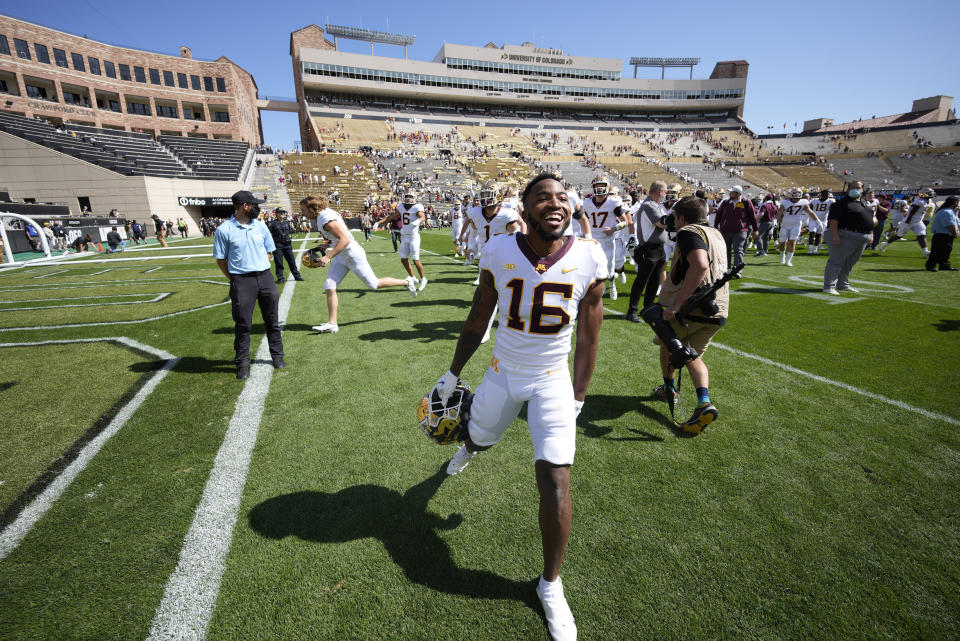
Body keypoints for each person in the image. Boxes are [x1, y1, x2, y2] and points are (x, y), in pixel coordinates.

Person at [433, 173, 606, 641]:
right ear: (524, 208)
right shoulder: (500, 251)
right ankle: (469, 447)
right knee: (479, 437)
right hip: (501, 371)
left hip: (552, 380)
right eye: (544, 197)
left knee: (555, 476)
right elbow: (478, 315)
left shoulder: (590, 255)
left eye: (563, 198)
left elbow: (590, 335)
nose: (556, 204)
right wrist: (452, 373)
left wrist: (579, 395)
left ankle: (550, 584)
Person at [651, 196, 729, 434]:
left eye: (675, 218)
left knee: (669, 345)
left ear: (682, 218)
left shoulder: (688, 232)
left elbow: (700, 265)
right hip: (717, 309)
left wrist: (677, 305)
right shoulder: (715, 233)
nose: (674, 222)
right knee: (691, 355)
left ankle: (669, 389)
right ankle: (703, 401)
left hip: (693, 308)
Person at [302, 194, 418, 335]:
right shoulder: (325, 214)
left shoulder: (324, 218)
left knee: (374, 284)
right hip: (343, 255)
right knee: (329, 286)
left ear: (312, 208)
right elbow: (341, 236)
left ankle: (407, 282)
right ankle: (332, 324)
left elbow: (345, 239)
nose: (303, 213)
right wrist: (324, 246)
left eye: (304, 210)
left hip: (351, 254)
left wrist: (328, 257)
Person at [213, 191, 285, 379]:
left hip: (265, 277)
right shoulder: (224, 230)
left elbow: (269, 251)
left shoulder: (261, 226)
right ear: (245, 206)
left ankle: (277, 356)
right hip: (241, 281)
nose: (258, 208)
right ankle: (242, 364)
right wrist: (235, 279)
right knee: (243, 324)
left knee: (273, 321)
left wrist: (260, 265)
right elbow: (221, 259)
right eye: (255, 205)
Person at [625, 180, 668, 323]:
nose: (665, 195)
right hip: (648, 248)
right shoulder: (649, 205)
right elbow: (661, 223)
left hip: (659, 249)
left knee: (654, 281)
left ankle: (648, 309)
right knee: (641, 281)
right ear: (660, 192)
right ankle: (632, 311)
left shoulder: (656, 205)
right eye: (665, 191)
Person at [823, 181, 877, 295]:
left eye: (857, 187)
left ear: (863, 189)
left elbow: (871, 219)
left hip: (862, 236)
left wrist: (871, 234)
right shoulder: (841, 203)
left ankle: (842, 284)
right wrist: (835, 236)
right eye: (852, 187)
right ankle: (829, 286)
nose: (855, 189)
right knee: (836, 261)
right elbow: (833, 221)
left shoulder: (864, 203)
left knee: (849, 262)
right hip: (846, 234)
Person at [582, 175, 627, 300]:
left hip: (607, 240)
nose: (600, 188)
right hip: (593, 240)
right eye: (597, 186)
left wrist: (614, 229)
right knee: (592, 267)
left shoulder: (613, 202)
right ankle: (599, 287)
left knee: (609, 267)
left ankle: (612, 285)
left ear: (607, 187)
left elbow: (625, 222)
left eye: (602, 185)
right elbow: (583, 220)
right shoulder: (587, 202)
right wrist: (586, 235)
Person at [379, 191, 428, 291]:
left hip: (414, 236)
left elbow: (422, 217)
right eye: (407, 197)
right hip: (404, 236)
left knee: (415, 260)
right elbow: (391, 217)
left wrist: (418, 221)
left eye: (410, 197)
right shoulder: (401, 206)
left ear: (414, 198)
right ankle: (412, 277)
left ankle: (423, 279)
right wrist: (378, 223)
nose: (408, 198)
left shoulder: (417, 207)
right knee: (403, 259)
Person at [713, 185, 757, 274]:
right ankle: (726, 269)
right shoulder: (725, 202)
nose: (730, 193)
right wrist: (715, 226)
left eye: (732, 192)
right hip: (725, 230)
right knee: (726, 250)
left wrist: (755, 229)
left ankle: (738, 270)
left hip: (740, 231)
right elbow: (719, 214)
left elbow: (752, 216)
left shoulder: (746, 202)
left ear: (738, 194)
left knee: (739, 251)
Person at [878, 188, 933, 257]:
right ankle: (885, 244)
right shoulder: (919, 202)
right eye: (929, 192)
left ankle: (925, 251)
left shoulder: (928, 200)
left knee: (921, 235)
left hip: (918, 221)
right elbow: (911, 212)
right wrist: (907, 221)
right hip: (909, 221)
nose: (931, 194)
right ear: (924, 194)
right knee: (898, 236)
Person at [776, 188, 818, 266]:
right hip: (785, 225)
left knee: (792, 242)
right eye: (795, 197)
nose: (796, 199)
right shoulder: (785, 202)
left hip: (796, 225)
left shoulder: (804, 202)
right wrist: (775, 220)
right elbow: (780, 212)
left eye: (798, 197)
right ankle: (782, 256)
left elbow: (810, 212)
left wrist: (817, 220)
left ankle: (788, 260)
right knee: (782, 242)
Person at [266, 210, 304, 283]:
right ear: (277, 214)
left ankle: (297, 276)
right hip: (278, 246)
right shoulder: (273, 223)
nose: (283, 214)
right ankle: (280, 278)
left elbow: (289, 231)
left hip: (287, 245)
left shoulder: (287, 222)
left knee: (292, 262)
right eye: (281, 213)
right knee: (279, 263)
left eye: (283, 213)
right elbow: (268, 234)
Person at [925, 196, 959, 272]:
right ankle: (931, 265)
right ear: (954, 203)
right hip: (942, 235)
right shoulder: (947, 212)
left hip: (943, 234)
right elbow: (949, 224)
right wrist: (955, 233)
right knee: (937, 251)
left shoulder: (946, 211)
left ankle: (944, 265)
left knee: (946, 251)